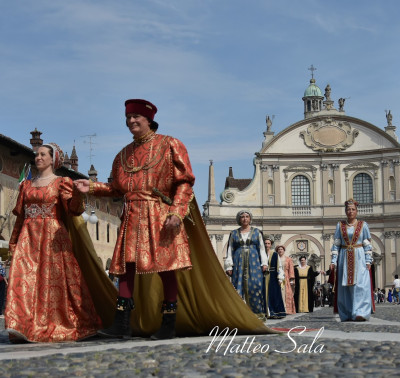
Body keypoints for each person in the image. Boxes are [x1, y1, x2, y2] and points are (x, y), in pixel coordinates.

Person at [74, 99, 271, 340]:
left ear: (149, 120)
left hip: (160, 217)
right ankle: (121, 323)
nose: (131, 121)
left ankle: (169, 324)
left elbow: (184, 182)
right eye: (128, 118)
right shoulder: (122, 155)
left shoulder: (170, 145)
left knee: (166, 269)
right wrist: (92, 186)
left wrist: (177, 212)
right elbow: (117, 188)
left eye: (136, 117)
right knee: (126, 269)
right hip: (132, 217)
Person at [6, 143, 101, 342]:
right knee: (23, 279)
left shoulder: (61, 182)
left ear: (53, 159)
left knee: (54, 281)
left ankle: (68, 322)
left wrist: (78, 194)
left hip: (53, 237)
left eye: (42, 154)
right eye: (36, 154)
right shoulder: (26, 185)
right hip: (28, 237)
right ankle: (21, 324)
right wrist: (13, 242)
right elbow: (20, 217)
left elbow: (73, 210)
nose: (38, 157)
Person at [330, 198, 373, 321]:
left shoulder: (363, 225)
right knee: (345, 287)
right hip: (344, 256)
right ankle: (347, 313)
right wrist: (333, 261)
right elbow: (336, 243)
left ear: (357, 211)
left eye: (353, 209)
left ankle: (360, 312)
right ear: (345, 211)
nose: (350, 211)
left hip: (358, 256)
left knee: (360, 285)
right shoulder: (340, 225)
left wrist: (368, 260)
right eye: (348, 209)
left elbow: (367, 244)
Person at [224, 210, 267, 320]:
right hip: (238, 262)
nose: (245, 218)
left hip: (254, 263)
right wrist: (229, 266)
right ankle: (239, 315)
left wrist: (264, 263)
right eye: (242, 217)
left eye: (247, 216)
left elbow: (262, 249)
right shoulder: (233, 233)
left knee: (255, 286)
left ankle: (257, 314)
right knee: (238, 287)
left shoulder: (257, 232)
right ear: (239, 219)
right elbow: (230, 250)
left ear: (250, 219)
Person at [263, 236, 286, 319]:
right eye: (265, 243)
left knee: (274, 295)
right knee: (264, 294)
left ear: (271, 244)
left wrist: (280, 278)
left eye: (268, 243)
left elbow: (279, 267)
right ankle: (266, 312)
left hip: (273, 276)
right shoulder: (261, 253)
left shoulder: (275, 254)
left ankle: (276, 312)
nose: (267, 245)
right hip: (263, 276)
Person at [277, 245, 296, 314]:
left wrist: (291, 279)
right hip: (277, 277)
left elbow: (291, 269)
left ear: (284, 250)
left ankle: (286, 309)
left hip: (286, 278)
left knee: (286, 292)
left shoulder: (288, 259)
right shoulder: (276, 258)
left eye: (281, 249)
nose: (280, 250)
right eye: (279, 249)